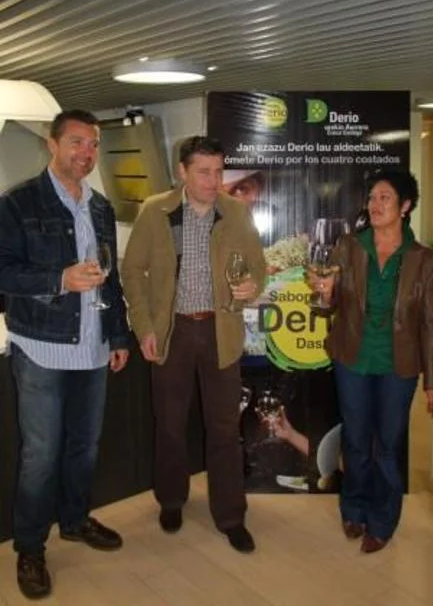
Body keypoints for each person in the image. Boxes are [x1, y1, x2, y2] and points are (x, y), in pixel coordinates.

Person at [0, 110, 130, 599]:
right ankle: (30, 548)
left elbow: (110, 280)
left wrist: (118, 337)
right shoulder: (17, 204)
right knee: (40, 456)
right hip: (41, 348)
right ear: (52, 145)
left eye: (93, 144)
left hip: (93, 348)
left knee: (84, 447)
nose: (87, 153)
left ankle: (74, 520)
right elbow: (3, 272)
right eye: (76, 142)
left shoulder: (100, 207)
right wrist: (59, 279)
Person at [121, 136, 266, 553]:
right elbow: (132, 271)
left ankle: (231, 516)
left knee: (225, 429)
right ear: (182, 171)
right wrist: (145, 326)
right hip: (173, 331)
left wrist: (253, 286)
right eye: (203, 172)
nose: (213, 180)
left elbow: (257, 267)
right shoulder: (156, 211)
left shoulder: (235, 211)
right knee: (169, 423)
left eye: (219, 171)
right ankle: (171, 500)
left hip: (221, 331)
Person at [309, 168, 433, 553]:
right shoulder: (349, 246)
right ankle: (353, 509)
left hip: (399, 367)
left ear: (405, 206)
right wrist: (325, 295)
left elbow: (431, 324)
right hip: (352, 359)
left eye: (385, 197)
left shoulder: (423, 259)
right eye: (371, 197)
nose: (375, 204)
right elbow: (326, 306)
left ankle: (383, 521)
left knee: (387, 445)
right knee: (354, 439)